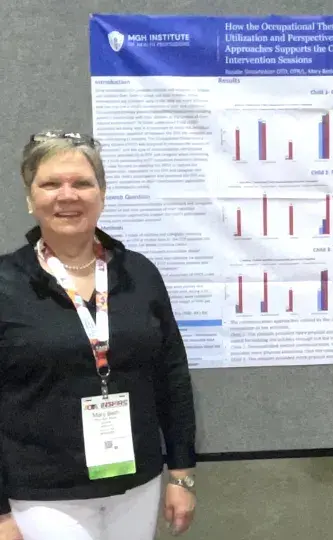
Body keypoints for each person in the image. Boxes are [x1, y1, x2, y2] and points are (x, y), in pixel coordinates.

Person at [0, 130, 198, 540]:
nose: (67, 195)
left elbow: (172, 375)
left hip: (135, 481)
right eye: (51, 183)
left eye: (82, 183)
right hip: (42, 493)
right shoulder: (5, 283)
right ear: (29, 197)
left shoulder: (138, 273)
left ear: (102, 195)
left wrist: (181, 474)